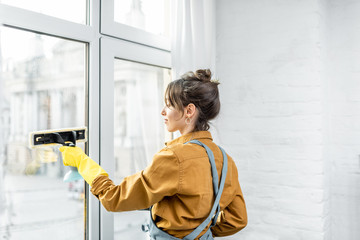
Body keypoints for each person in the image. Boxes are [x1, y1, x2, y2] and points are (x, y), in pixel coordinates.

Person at [59, 69, 247, 239]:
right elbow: (237, 219)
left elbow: (113, 198)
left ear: (189, 110)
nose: (162, 111)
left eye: (168, 105)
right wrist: (199, 232)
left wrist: (82, 162)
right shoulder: (224, 159)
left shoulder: (174, 157)